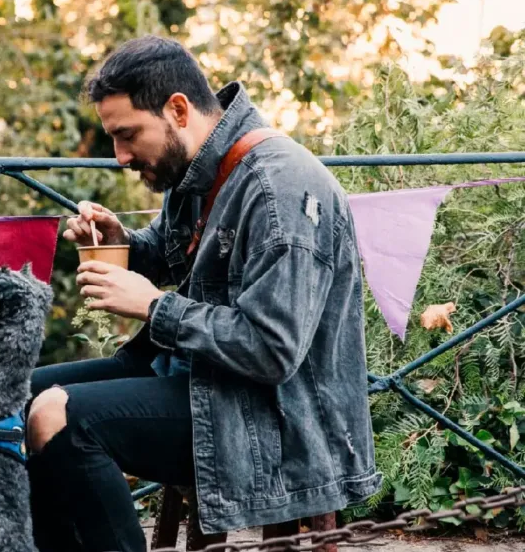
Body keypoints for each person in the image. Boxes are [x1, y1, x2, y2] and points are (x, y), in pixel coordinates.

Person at [25, 36, 381, 552]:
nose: (120, 156)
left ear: (177, 109)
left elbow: (270, 349)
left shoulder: (280, 189)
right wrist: (125, 246)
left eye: (127, 135)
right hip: (201, 379)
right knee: (18, 396)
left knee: (57, 416)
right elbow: (181, 256)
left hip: (272, 421)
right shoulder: (197, 168)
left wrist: (151, 305)